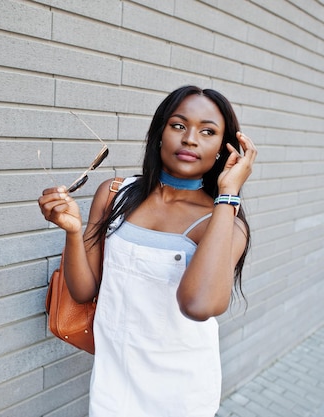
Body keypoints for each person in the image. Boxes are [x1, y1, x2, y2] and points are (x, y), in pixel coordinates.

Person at [38, 85, 257, 416]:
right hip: (114, 380)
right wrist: (72, 232)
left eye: (208, 131)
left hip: (181, 391)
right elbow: (83, 292)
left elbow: (199, 306)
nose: (190, 139)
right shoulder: (114, 193)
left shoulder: (224, 221)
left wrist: (229, 194)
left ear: (223, 152)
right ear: (160, 133)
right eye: (178, 125)